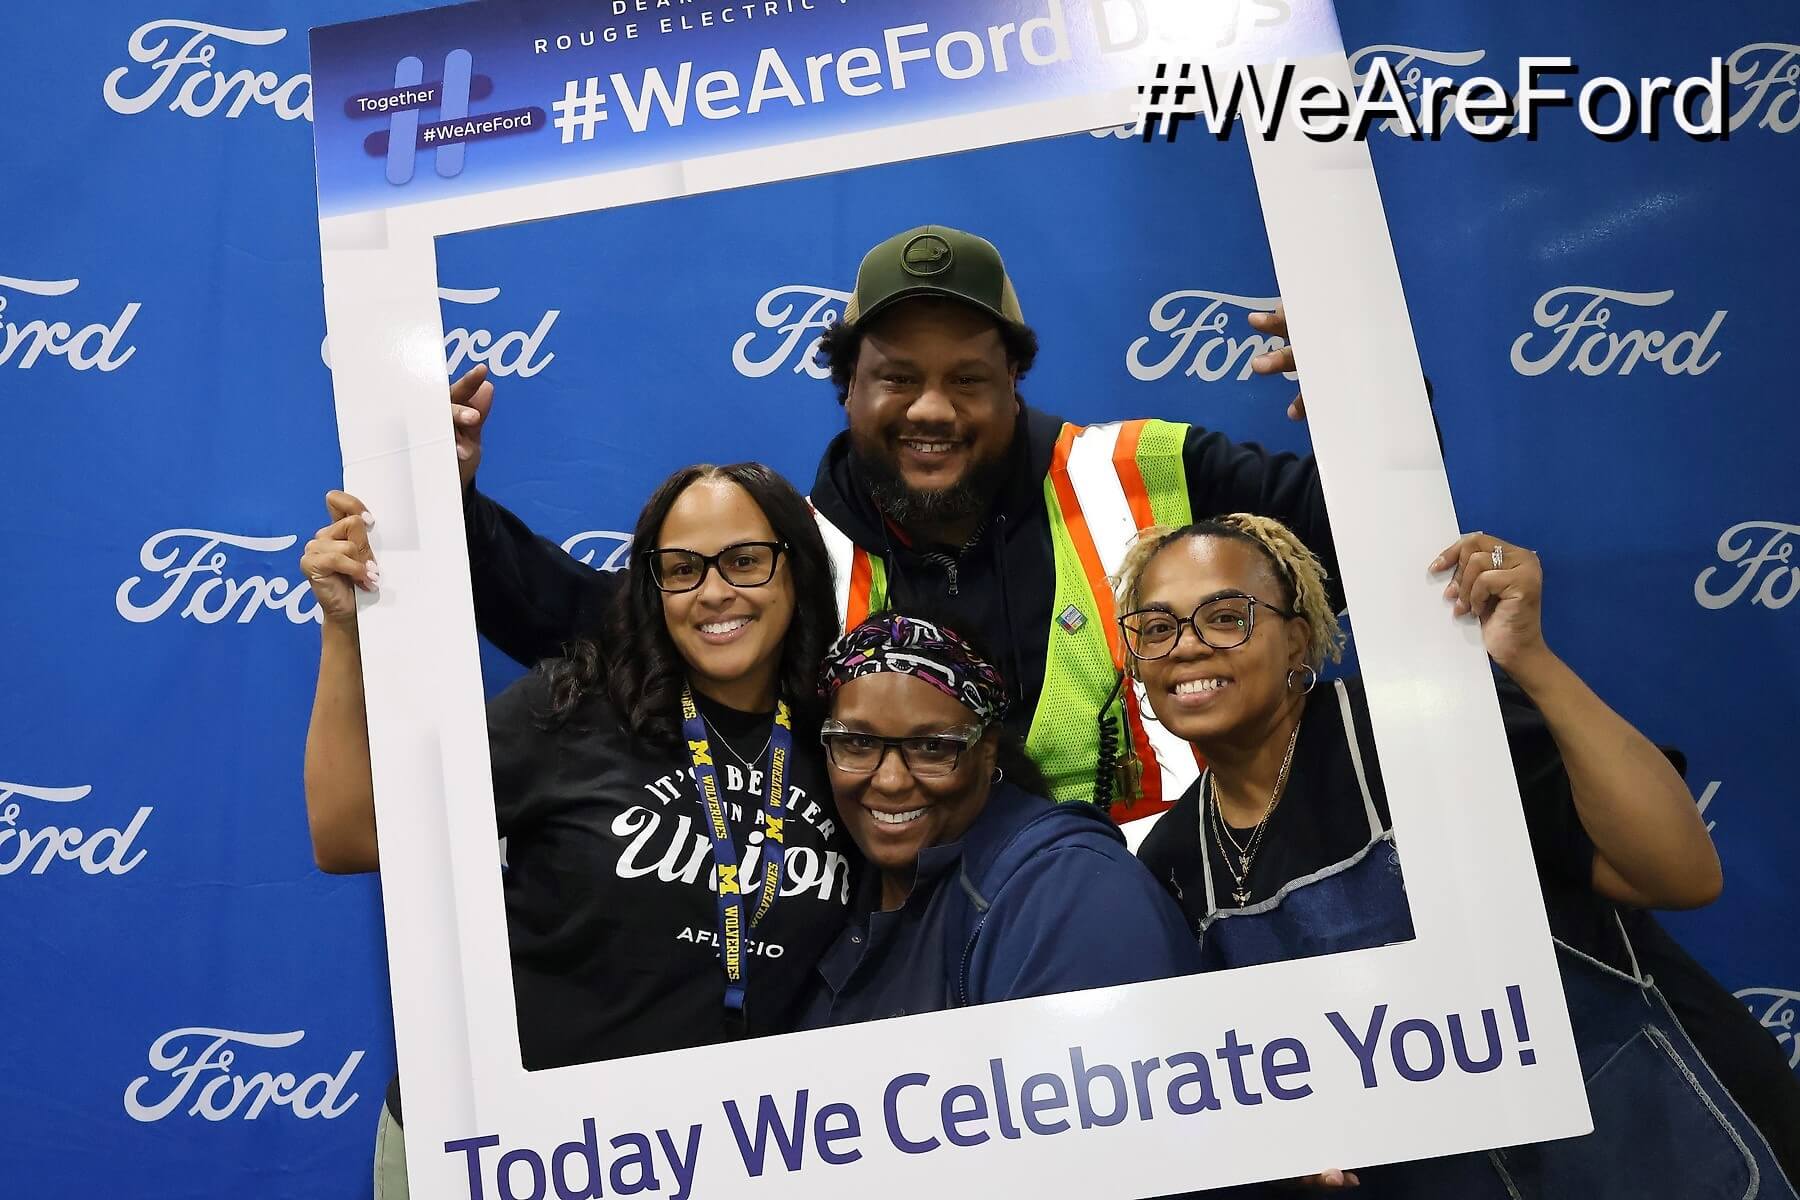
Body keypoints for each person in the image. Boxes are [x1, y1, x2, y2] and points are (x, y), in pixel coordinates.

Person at [449, 224, 1360, 821]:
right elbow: (593, 622)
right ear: (847, 387)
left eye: (967, 377)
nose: (933, 408)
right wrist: (449, 506)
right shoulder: (796, 553)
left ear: (1015, 382)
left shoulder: (1150, 470)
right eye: (896, 377)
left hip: (1223, 936)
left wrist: (1367, 394)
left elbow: (1365, 543)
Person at [1116, 514, 1799, 1197]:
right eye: (1156, 627)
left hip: (1666, 1145)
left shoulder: (1427, 723)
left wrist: (1529, 658)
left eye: (1226, 616)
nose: (1188, 646)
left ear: (1298, 640)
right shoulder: (1173, 862)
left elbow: (1680, 872)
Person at [301, 463, 853, 1199]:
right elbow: (349, 833)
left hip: (709, 1157)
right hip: (505, 1153)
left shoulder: (848, 744)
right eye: (681, 568)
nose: (715, 591)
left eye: (746, 561)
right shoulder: (573, 708)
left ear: (798, 569)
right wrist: (342, 629)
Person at [798, 612, 1201, 1026]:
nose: (890, 780)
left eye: (932, 747)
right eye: (857, 743)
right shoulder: (822, 888)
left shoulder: (1065, 892)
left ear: (986, 749)